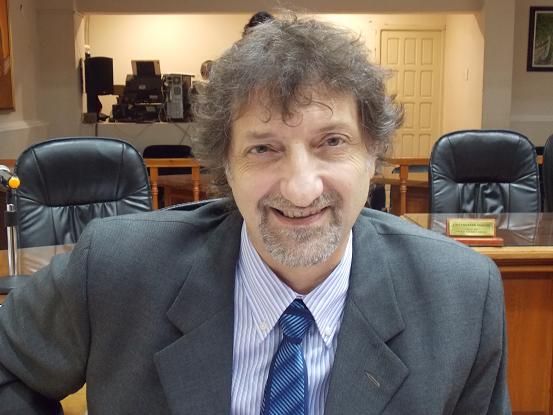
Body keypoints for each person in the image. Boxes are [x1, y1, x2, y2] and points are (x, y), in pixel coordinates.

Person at [0, 14, 510, 414]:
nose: (301, 189)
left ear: (373, 153)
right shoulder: (113, 267)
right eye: (264, 148)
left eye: (332, 142)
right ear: (225, 163)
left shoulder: (462, 298)